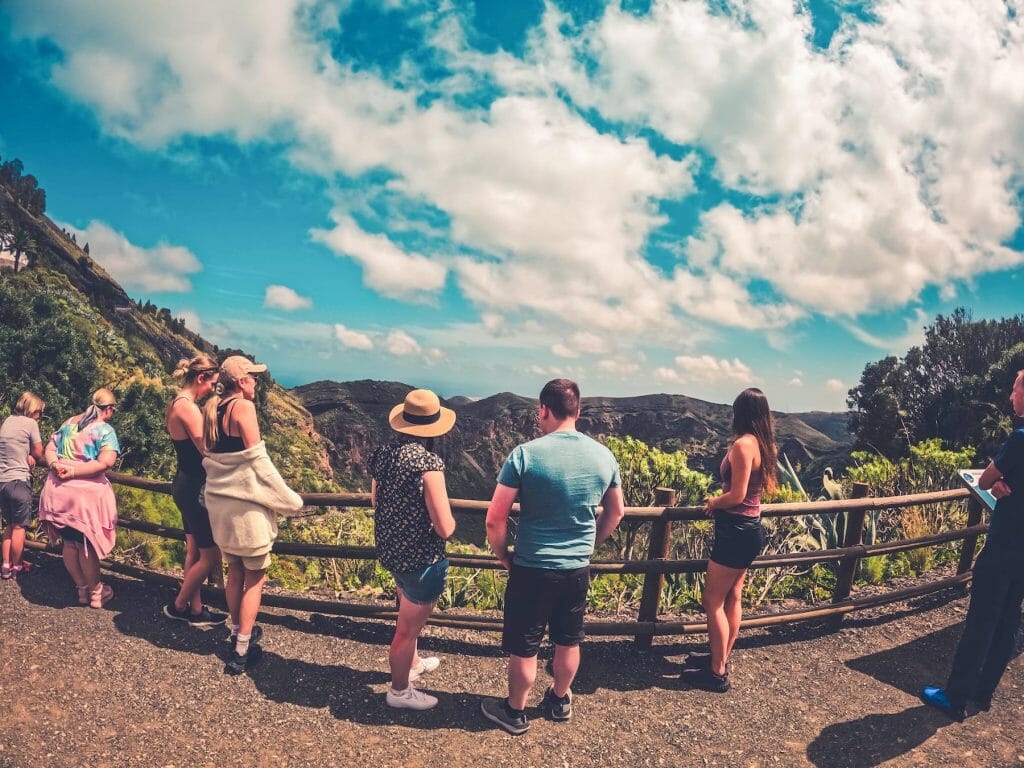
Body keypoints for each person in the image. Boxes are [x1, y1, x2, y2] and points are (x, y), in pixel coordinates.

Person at [481, 379, 624, 735]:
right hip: (575, 568)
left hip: (532, 566)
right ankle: (560, 700)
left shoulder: (526, 454)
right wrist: (589, 545)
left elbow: (494, 518)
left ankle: (514, 713)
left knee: (526, 646)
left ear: (543, 410)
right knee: (568, 638)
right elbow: (616, 512)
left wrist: (503, 556)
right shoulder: (603, 455)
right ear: (577, 412)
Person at [922, 368, 1024, 721]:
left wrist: (997, 483)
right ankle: (983, 695)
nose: (1011, 397)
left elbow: (986, 478)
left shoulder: (1021, 438)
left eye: (1015, 390)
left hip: (1004, 545)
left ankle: (955, 697)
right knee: (1008, 622)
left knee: (981, 621)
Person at [202, 356, 302, 675]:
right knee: (255, 578)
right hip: (246, 512)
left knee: (234, 572)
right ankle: (242, 649)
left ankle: (236, 633)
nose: (257, 383)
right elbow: (259, 461)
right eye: (253, 378)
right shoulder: (243, 408)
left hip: (221, 508)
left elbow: (216, 456)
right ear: (242, 381)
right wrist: (290, 501)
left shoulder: (212, 408)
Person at [682, 387, 777, 693]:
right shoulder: (765, 446)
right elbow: (752, 495)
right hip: (750, 529)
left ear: (741, 413)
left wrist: (712, 502)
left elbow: (736, 495)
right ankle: (719, 656)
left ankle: (716, 672)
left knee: (711, 601)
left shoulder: (741, 446)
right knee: (733, 597)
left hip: (735, 530)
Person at [370, 388, 457, 711]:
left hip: (393, 553)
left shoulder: (382, 454)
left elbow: (376, 501)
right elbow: (445, 527)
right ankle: (399, 690)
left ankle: (414, 663)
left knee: (406, 616)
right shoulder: (428, 463)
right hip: (422, 561)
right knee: (406, 631)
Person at [38, 388, 121, 608]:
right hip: (83, 498)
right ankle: (96, 592)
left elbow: (50, 448)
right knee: (85, 546)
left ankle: (81, 589)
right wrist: (75, 472)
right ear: (109, 409)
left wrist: (56, 465)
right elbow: (106, 462)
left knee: (70, 544)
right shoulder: (105, 430)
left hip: (57, 493)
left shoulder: (69, 423)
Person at [162, 355, 226, 627]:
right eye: (212, 383)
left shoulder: (177, 402)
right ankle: (179, 606)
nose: (213, 389)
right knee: (210, 555)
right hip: (195, 489)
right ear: (200, 378)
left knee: (194, 552)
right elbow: (207, 450)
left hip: (184, 482)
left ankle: (196, 610)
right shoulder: (188, 408)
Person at [1, 392, 45, 579]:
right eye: (40, 413)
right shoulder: (30, 424)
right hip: (19, 480)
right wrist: (32, 456)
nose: (40, 417)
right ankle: (18, 566)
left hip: (3, 480)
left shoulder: (8, 420)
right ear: (33, 410)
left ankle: (5, 566)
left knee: (9, 525)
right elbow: (38, 450)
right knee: (20, 527)